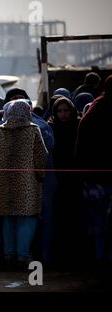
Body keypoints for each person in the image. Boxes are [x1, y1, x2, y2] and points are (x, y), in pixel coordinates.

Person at [0, 100, 48, 269]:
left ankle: (9, 255)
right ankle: (23, 255)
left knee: (8, 219)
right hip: (27, 183)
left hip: (3, 184)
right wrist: (41, 175)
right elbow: (41, 156)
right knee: (27, 217)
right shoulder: (32, 130)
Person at [75, 75, 112, 269]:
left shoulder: (94, 109)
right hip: (100, 178)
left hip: (95, 176)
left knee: (99, 220)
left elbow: (81, 146)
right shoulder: (99, 109)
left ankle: (99, 257)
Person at [48, 96, 83, 268]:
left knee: (75, 217)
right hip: (58, 179)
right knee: (60, 218)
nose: (63, 114)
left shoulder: (78, 127)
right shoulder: (51, 128)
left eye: (66, 110)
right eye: (60, 111)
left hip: (75, 179)